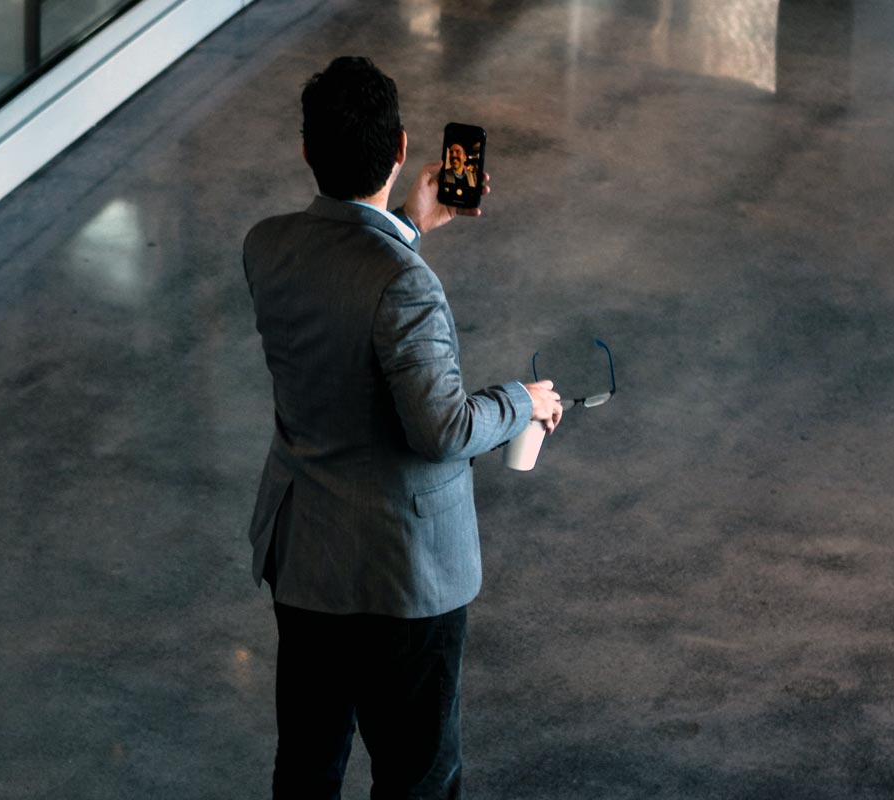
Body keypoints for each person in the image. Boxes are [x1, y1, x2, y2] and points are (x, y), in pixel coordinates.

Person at [242, 56, 564, 800]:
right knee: (417, 777)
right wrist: (521, 400)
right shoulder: (406, 284)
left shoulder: (266, 246)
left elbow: (346, 285)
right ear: (399, 148)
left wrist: (409, 224)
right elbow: (443, 429)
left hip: (307, 556)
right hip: (403, 574)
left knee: (308, 767)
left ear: (304, 152)